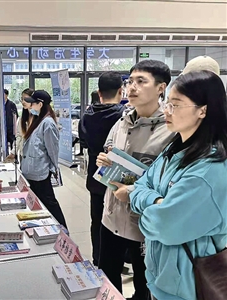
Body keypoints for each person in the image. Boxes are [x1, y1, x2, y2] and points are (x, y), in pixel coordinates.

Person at [130, 70, 227, 300]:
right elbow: (140, 185)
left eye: (176, 105)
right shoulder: (173, 149)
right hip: (161, 280)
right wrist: (155, 201)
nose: (167, 111)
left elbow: (166, 225)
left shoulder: (209, 170)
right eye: (167, 103)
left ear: (203, 109)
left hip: (190, 288)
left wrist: (144, 207)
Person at [96, 60, 175, 300]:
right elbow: (109, 153)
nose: (132, 87)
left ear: (161, 88)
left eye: (141, 81)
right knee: (108, 276)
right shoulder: (120, 123)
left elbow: (167, 181)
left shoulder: (171, 130)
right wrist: (104, 161)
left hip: (144, 225)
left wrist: (132, 188)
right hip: (110, 217)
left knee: (145, 284)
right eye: (130, 81)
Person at [79, 72, 125, 266]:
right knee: (120, 224)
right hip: (119, 179)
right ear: (121, 91)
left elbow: (83, 142)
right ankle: (118, 262)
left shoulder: (87, 116)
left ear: (98, 92)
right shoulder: (123, 116)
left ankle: (98, 259)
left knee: (96, 220)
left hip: (95, 177)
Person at [21, 90, 67, 228]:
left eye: (32, 104)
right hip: (32, 171)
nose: (30, 107)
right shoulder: (38, 120)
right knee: (39, 203)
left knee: (50, 203)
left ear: (40, 104)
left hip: (41, 172)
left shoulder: (48, 123)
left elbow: (52, 150)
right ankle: (45, 227)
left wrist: (54, 168)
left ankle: (62, 230)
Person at [4, 88, 34, 162]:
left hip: (36, 157)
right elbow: (19, 136)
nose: (23, 101)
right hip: (23, 155)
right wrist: (13, 152)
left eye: (26, 99)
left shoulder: (41, 119)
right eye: (22, 99)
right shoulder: (21, 119)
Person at [0, 89, 19, 153]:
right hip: (3, 126)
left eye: (3, 95)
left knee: (12, 142)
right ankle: (6, 155)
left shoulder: (12, 104)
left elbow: (16, 115)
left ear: (6, 95)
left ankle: (13, 156)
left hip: (11, 126)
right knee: (4, 142)